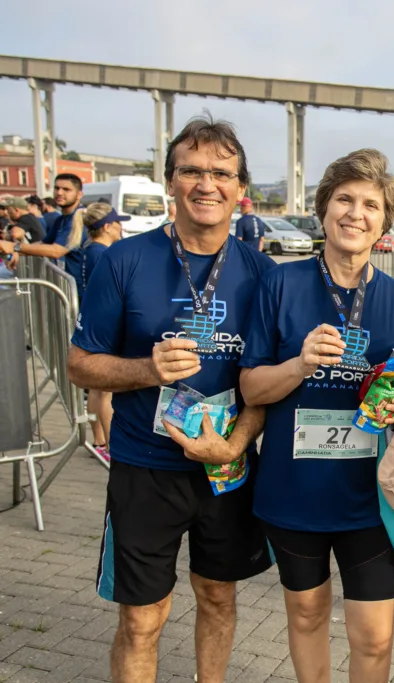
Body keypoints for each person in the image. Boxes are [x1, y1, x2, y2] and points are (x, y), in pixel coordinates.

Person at [65, 115, 275, 683]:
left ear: (239, 189)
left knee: (217, 597)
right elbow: (79, 363)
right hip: (143, 468)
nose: (206, 184)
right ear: (170, 182)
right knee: (142, 619)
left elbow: (264, 382)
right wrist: (145, 368)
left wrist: (233, 444)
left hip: (225, 468)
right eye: (191, 171)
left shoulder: (263, 274)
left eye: (221, 173)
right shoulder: (123, 260)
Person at [239, 149, 394, 683]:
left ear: (384, 222)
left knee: (375, 635)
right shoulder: (280, 284)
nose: (355, 213)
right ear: (323, 209)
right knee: (308, 613)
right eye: (344, 199)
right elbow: (250, 385)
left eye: (370, 204)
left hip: (368, 496)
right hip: (294, 490)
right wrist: (298, 364)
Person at [64, 202, 129, 463]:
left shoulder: (89, 249)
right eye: (118, 222)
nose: (121, 228)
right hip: (104, 325)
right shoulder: (103, 253)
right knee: (105, 391)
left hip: (90, 321)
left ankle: (99, 439)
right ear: (107, 226)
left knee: (95, 390)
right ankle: (110, 445)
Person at [0, 173, 86, 265]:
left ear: (79, 195)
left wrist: (15, 247)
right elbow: (43, 244)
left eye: (66, 189)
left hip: (82, 278)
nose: (59, 193)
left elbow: (56, 251)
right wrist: (17, 252)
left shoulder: (80, 217)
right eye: (57, 188)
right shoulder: (61, 219)